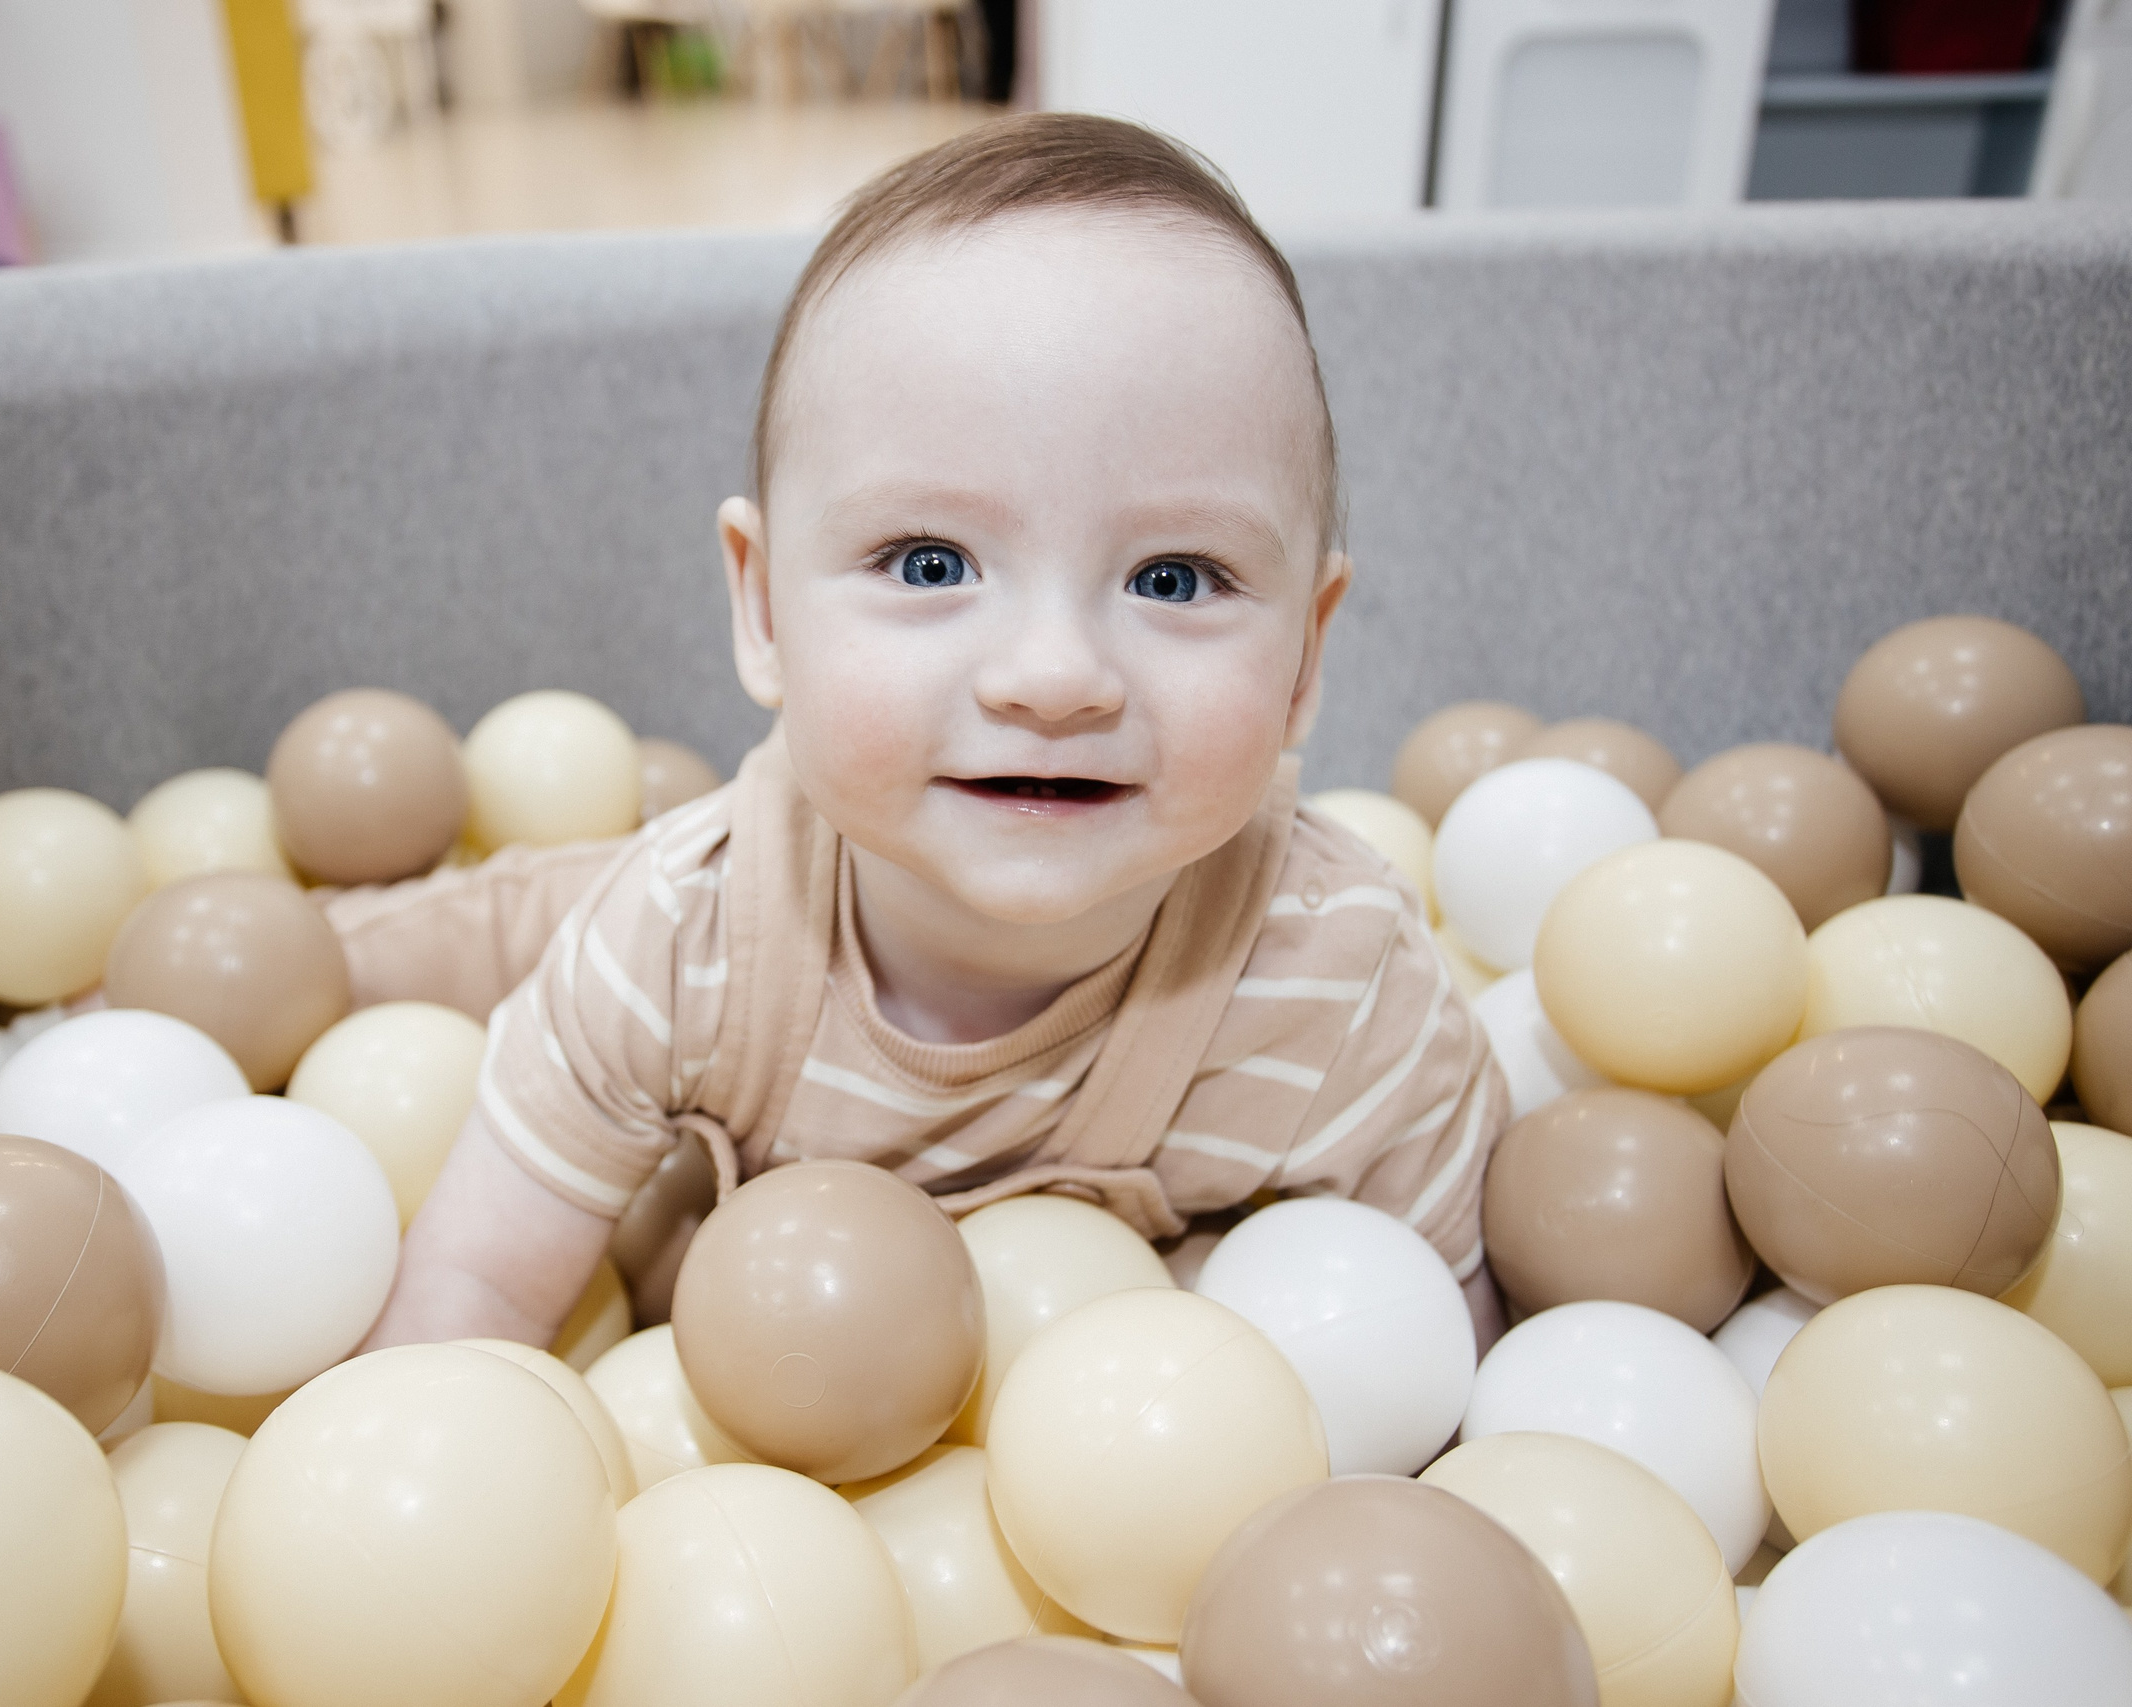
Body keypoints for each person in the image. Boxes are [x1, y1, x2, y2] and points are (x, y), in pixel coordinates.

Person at [331, 112, 1508, 1354]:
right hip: (704, 927)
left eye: (1173, 578)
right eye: (930, 560)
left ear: (1306, 659)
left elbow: (1452, 1361)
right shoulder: (682, 938)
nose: (1055, 678)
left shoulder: (1343, 990)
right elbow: (469, 1305)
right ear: (766, 606)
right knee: (467, 934)